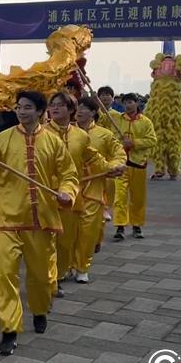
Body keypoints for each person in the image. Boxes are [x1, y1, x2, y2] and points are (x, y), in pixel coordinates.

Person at [0, 91, 77, 356]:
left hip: (41, 220)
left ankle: (40, 309)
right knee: (5, 275)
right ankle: (9, 328)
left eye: (28, 107)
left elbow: (69, 174)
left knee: (40, 276)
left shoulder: (53, 142)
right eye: (19, 107)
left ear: (40, 111)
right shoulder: (4, 139)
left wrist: (68, 191)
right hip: (8, 220)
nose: (21, 112)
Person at [44, 93, 105, 297]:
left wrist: (112, 167)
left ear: (71, 110)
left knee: (65, 241)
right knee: (45, 240)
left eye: (60, 105)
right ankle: (48, 279)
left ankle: (58, 276)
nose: (55, 109)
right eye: (52, 105)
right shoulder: (40, 133)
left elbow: (93, 158)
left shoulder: (80, 136)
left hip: (70, 195)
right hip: (44, 195)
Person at [75, 97, 126, 283]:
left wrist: (113, 166)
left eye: (83, 108)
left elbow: (118, 154)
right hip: (69, 188)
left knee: (88, 230)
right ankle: (66, 265)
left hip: (94, 188)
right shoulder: (65, 132)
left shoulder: (104, 134)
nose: (79, 111)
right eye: (77, 108)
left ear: (94, 112)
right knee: (68, 232)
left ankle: (82, 267)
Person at [111, 93, 157, 242]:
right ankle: (120, 226)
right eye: (125, 103)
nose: (128, 105)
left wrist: (134, 143)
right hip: (121, 164)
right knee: (120, 196)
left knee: (138, 197)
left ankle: (137, 225)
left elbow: (152, 140)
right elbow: (111, 137)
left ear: (137, 103)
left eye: (131, 102)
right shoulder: (117, 119)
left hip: (138, 163)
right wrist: (120, 143)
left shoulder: (146, 122)